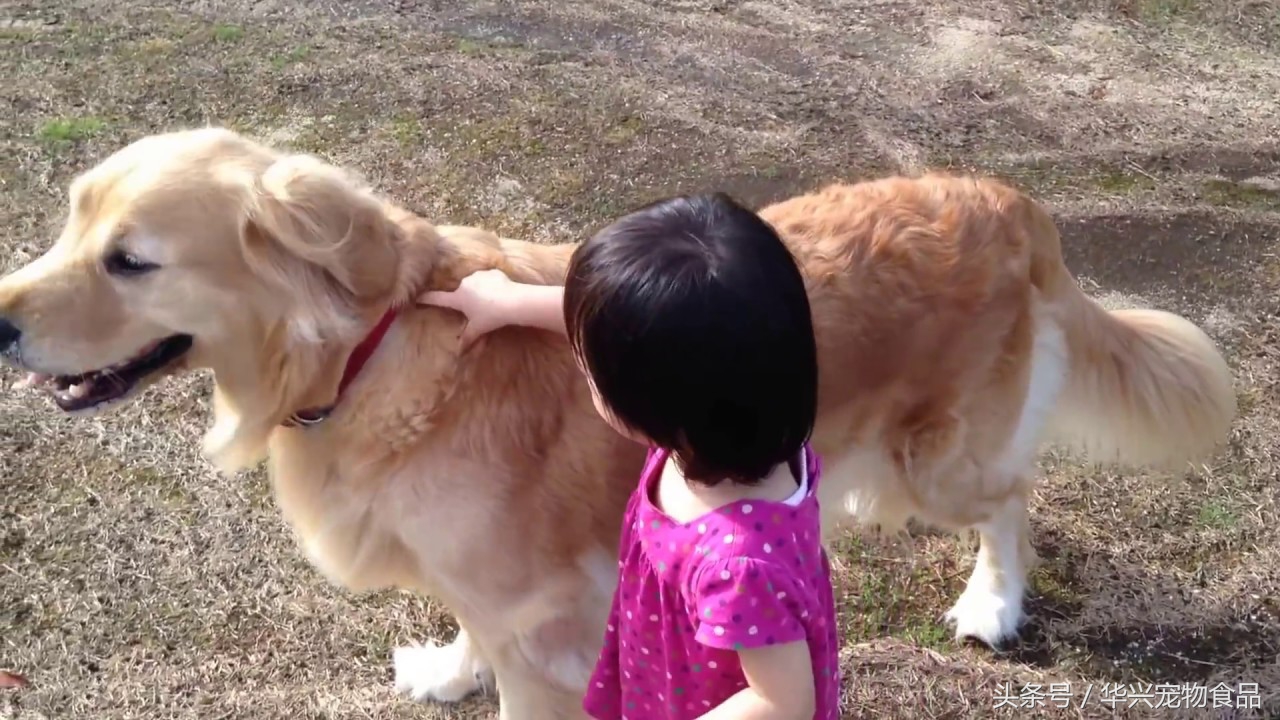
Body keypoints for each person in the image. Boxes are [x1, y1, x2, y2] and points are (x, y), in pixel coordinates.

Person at [419, 193, 840, 720]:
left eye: (595, 373)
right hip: (671, 664)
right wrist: (510, 302)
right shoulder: (732, 422)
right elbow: (624, 332)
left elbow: (783, 701)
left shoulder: (742, 568)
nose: (585, 370)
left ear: (659, 399)